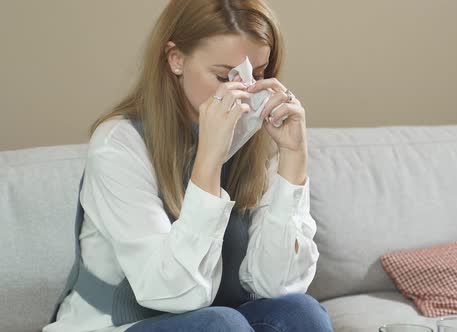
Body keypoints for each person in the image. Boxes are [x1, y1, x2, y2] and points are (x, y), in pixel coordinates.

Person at [42, 0, 333, 331]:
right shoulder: (119, 145)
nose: (247, 90)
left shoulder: (259, 137)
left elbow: (277, 286)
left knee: (300, 312)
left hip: (218, 320)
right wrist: (209, 158)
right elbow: (174, 294)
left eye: (260, 73)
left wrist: (293, 158)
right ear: (176, 59)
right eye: (225, 75)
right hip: (118, 325)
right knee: (221, 325)